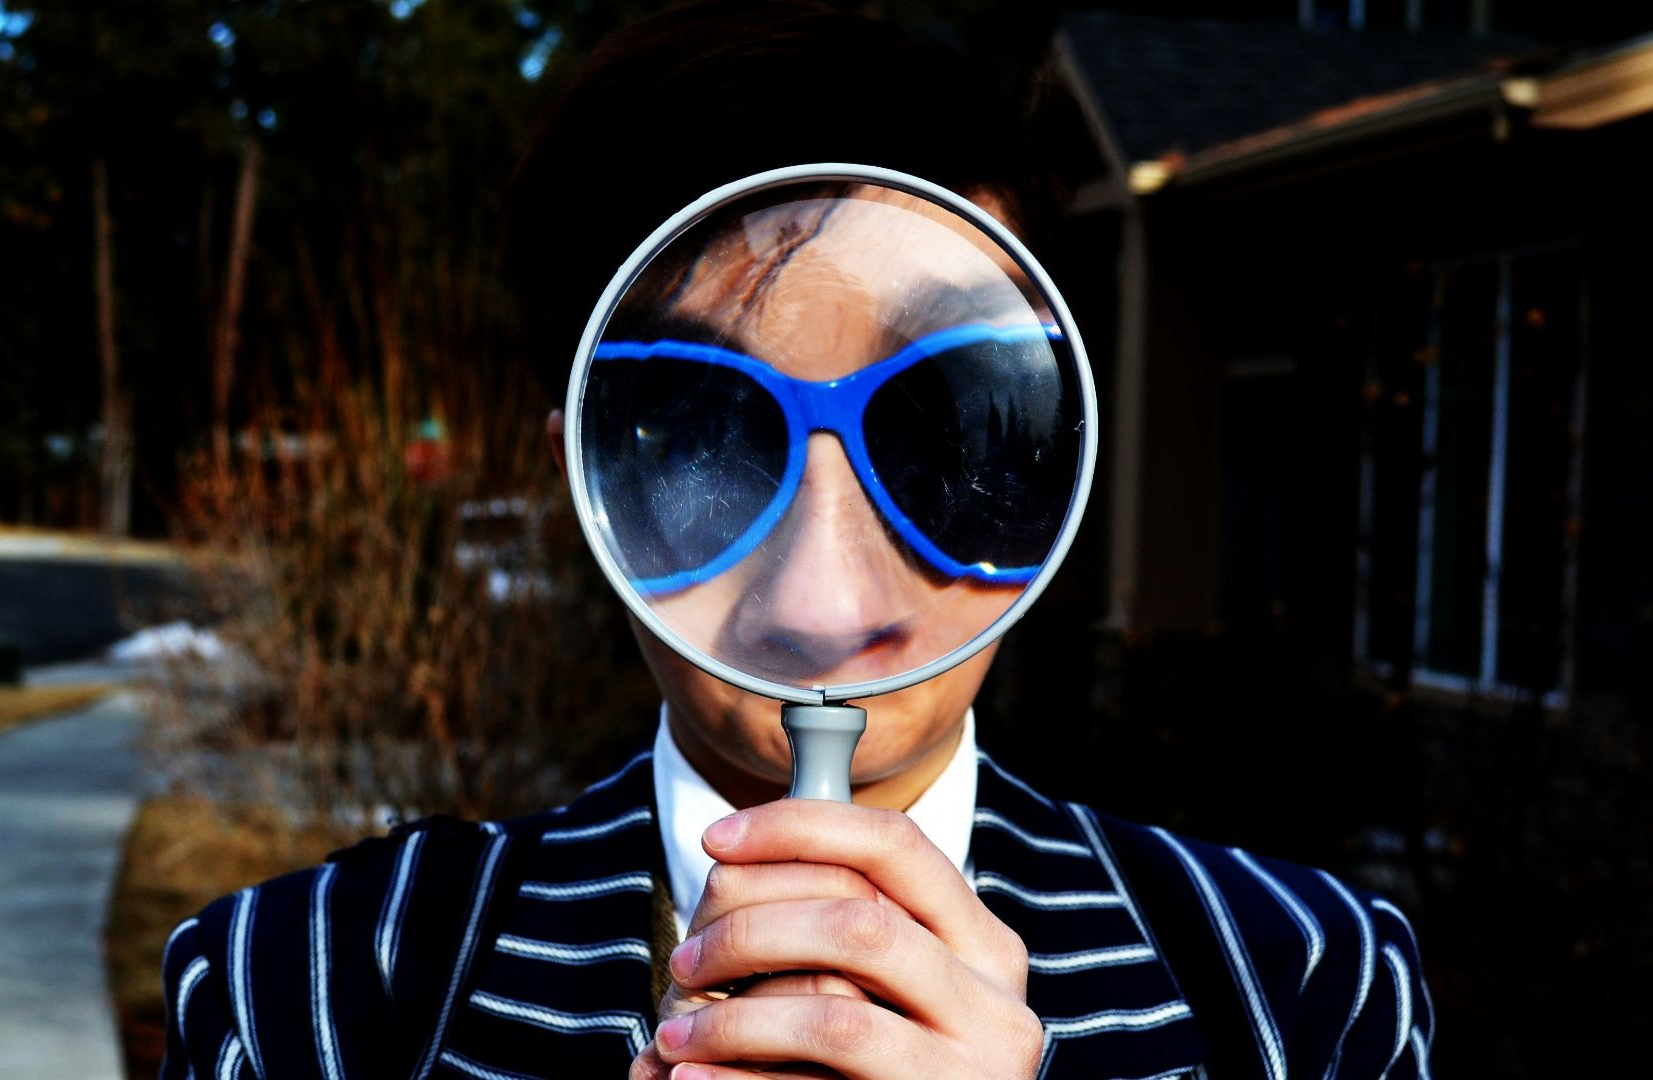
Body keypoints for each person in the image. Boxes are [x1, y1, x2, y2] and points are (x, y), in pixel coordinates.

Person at [160, 4, 1435, 1079]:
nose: (823, 608)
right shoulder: (302, 996)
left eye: (941, 426)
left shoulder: (1307, 992)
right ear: (583, 485)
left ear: (1053, 452)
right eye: (708, 438)